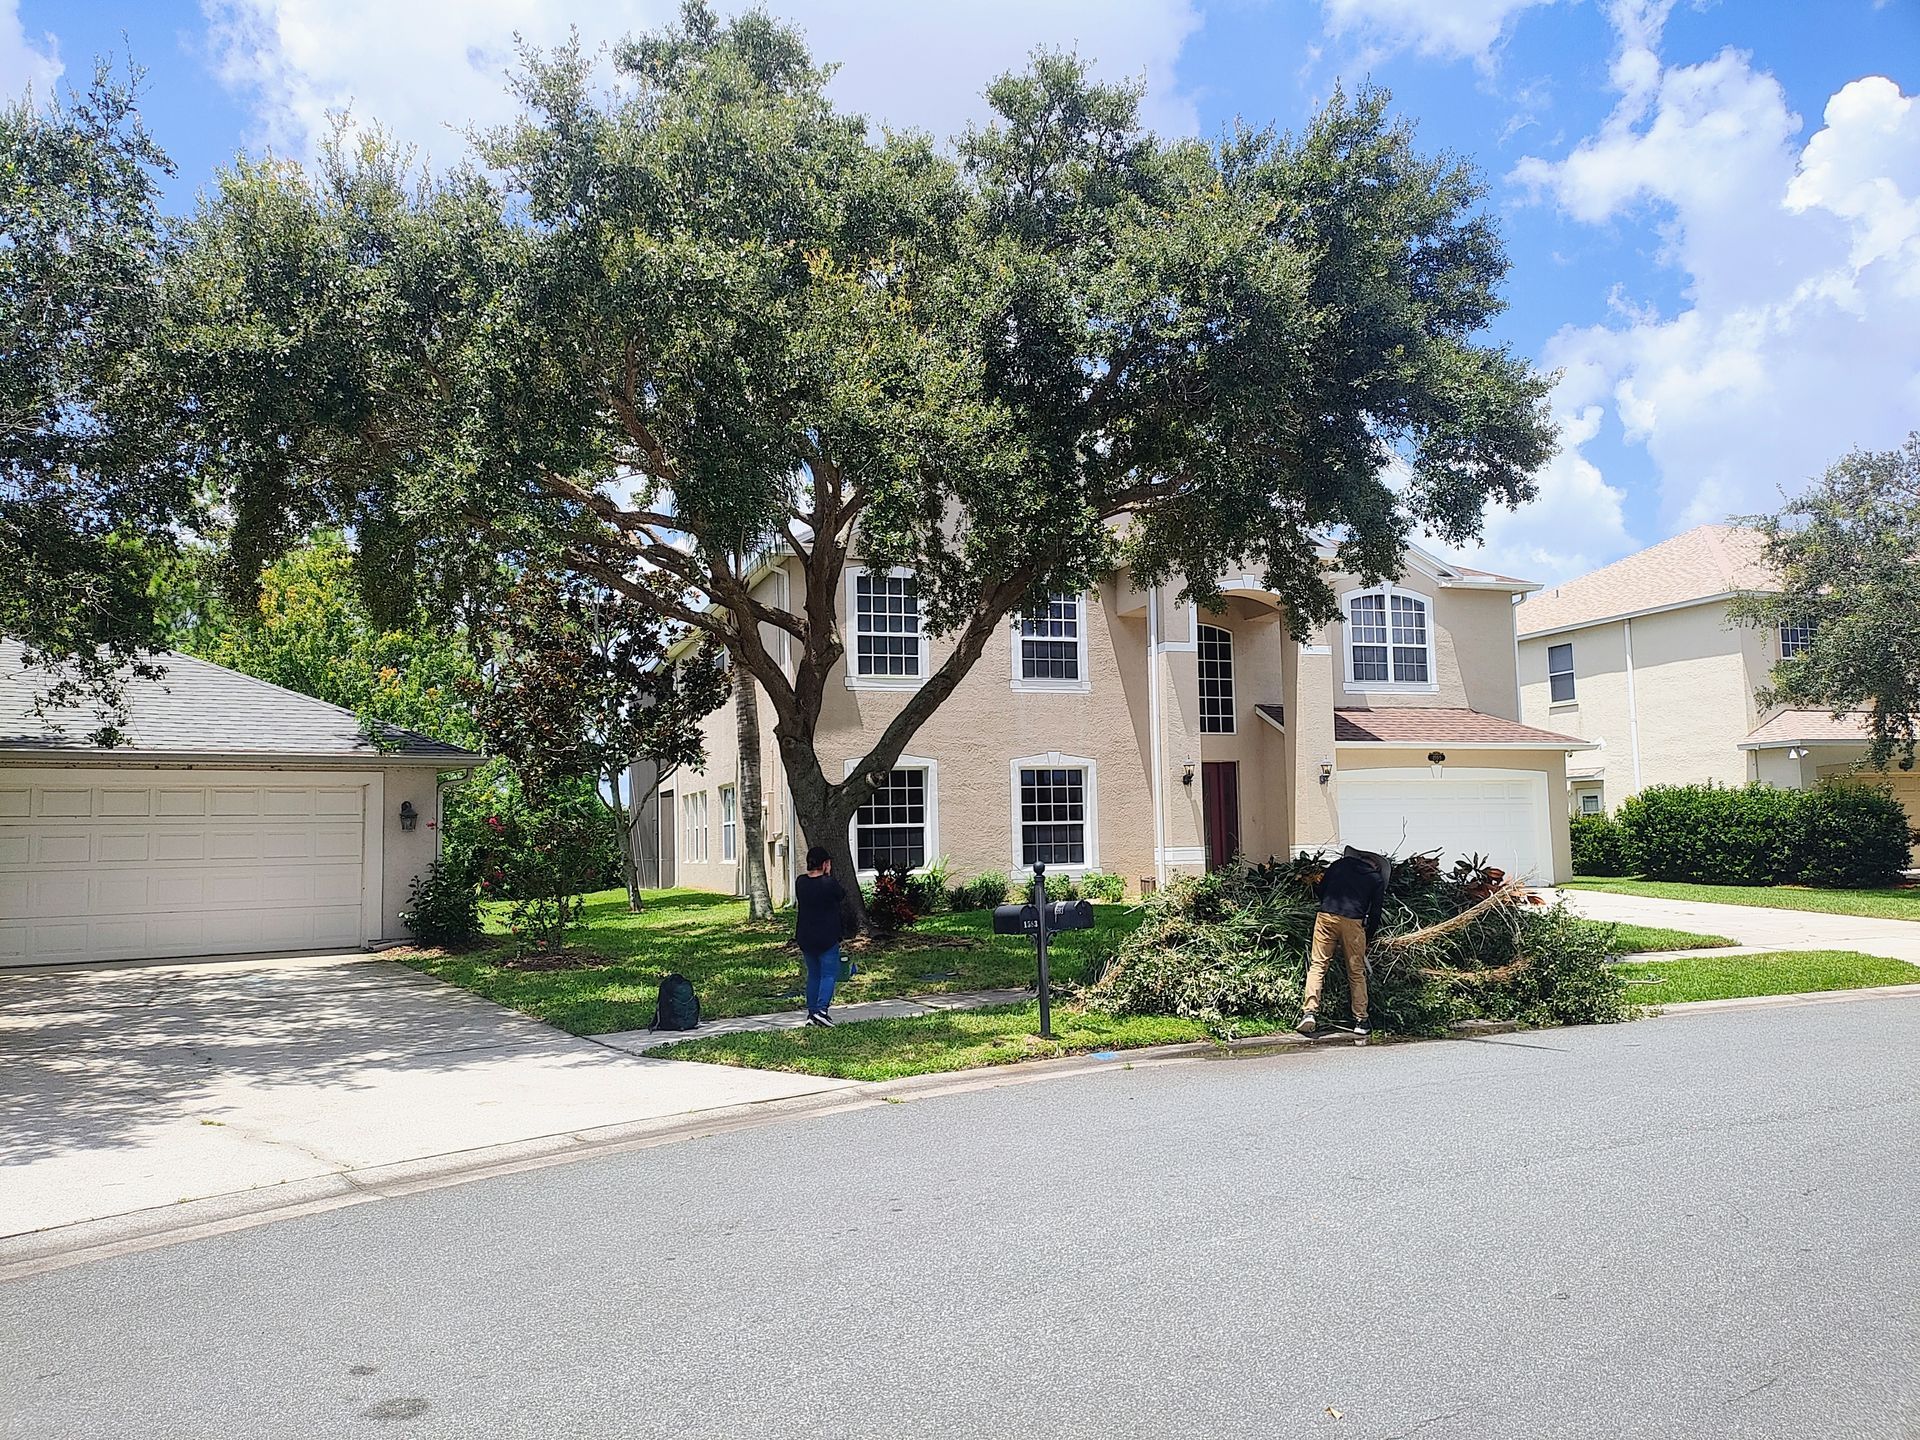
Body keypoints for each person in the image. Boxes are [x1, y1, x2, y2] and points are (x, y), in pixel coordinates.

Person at [1297, 848, 1386, 1037]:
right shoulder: (1376, 879)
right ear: (1376, 865)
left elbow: (1321, 890)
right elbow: (1376, 913)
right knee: (1356, 972)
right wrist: (1367, 938)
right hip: (1353, 922)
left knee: (1318, 965)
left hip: (1326, 915)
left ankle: (1309, 1012)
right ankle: (1361, 1021)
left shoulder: (1339, 865)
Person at [794, 845, 847, 1027]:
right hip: (827, 936)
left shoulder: (800, 882)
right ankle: (822, 1010)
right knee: (828, 975)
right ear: (825, 864)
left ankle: (812, 1013)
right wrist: (828, 874)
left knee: (814, 975)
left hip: (806, 936)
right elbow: (840, 895)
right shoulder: (829, 883)